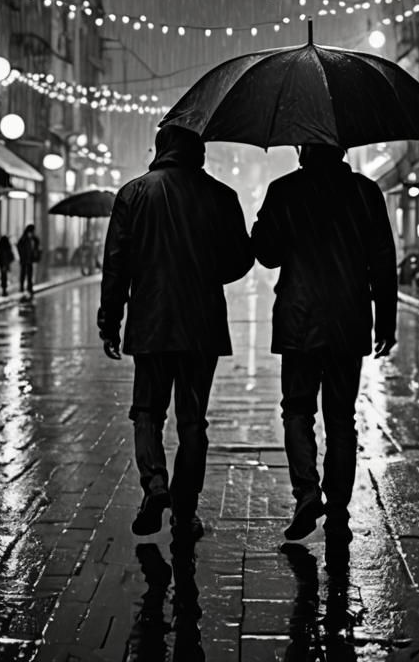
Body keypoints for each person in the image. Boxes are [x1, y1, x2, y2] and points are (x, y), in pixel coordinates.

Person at [99, 124, 254, 541]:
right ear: (199, 151)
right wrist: (207, 272)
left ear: (161, 148)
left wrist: (109, 320)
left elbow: (116, 263)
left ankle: (155, 485)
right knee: (192, 420)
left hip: (151, 319)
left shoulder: (133, 194)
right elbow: (241, 259)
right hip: (202, 324)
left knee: (147, 411)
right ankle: (185, 512)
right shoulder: (222, 196)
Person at [251, 143, 397, 544]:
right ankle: (337, 513)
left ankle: (307, 493)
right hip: (348, 322)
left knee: (297, 410)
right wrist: (386, 320)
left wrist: (267, 221)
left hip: (299, 320)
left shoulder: (284, 190)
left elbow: (265, 253)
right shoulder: (366, 192)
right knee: (340, 420)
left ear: (302, 148)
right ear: (342, 148)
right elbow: (383, 259)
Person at [17, 223, 42, 297]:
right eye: (32, 231)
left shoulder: (34, 239)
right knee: (23, 273)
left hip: (30, 259)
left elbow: (37, 246)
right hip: (24, 259)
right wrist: (22, 255)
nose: (33, 233)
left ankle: (29, 287)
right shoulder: (23, 239)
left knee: (30, 273)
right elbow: (19, 247)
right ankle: (21, 287)